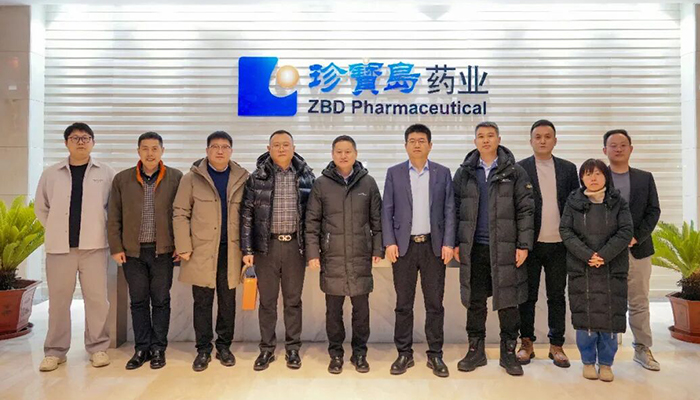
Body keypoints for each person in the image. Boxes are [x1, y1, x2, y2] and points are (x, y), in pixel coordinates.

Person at [453, 121, 534, 376]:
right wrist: (455, 242)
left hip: (506, 248)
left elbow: (526, 210)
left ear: (499, 139)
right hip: (474, 248)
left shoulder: (515, 172)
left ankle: (508, 353)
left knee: (508, 302)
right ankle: (475, 351)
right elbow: (453, 210)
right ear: (475, 141)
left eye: (490, 135)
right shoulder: (465, 172)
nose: (485, 140)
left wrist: (523, 245)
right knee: (475, 302)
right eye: (481, 136)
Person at [35, 122, 116, 372]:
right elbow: (41, 207)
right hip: (60, 249)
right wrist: (56, 229)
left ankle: (98, 347)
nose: (81, 142)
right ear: (66, 143)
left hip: (94, 247)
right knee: (59, 302)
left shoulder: (106, 172)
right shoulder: (51, 173)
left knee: (97, 300)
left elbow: (113, 209)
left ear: (93, 142)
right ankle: (55, 351)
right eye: (75, 138)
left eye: (85, 138)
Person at [305, 135, 383, 375]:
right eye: (339, 151)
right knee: (333, 311)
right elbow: (312, 223)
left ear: (356, 154)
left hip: (360, 256)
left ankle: (360, 354)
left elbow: (377, 221)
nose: (343, 155)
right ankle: (336, 354)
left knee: (361, 311)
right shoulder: (321, 184)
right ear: (332, 155)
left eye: (348, 151)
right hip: (332, 257)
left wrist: (377, 248)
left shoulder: (368, 183)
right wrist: (312, 253)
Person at [382, 124, 455, 378]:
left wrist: (448, 242)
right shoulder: (394, 173)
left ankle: (435, 354)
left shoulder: (443, 173)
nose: (416, 144)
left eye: (421, 140)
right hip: (404, 248)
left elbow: (449, 209)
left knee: (435, 304)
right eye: (412, 140)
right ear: (405, 146)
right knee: (403, 304)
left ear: (430, 145)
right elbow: (387, 210)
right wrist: (389, 242)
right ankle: (404, 353)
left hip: (434, 247)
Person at [173, 131, 249, 372]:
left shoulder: (242, 178)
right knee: (202, 302)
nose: (220, 151)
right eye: (215, 146)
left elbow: (249, 215)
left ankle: (224, 347)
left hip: (231, 251)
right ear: (207, 151)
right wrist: (183, 246)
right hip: (201, 250)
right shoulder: (191, 178)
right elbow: (180, 213)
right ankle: (203, 349)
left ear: (231, 151)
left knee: (228, 301)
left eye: (225, 147)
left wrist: (249, 249)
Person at [240, 130, 315, 371]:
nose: (281, 149)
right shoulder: (256, 178)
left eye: (285, 145)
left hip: (295, 247)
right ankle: (267, 349)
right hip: (266, 248)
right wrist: (247, 248)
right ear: (269, 148)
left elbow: (314, 217)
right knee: (267, 302)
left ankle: (293, 349)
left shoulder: (306, 177)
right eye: (276, 145)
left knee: (293, 301)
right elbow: (246, 215)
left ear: (293, 148)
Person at [108, 131, 183, 370]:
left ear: (162, 151)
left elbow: (183, 215)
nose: (150, 153)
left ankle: (158, 348)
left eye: (154, 148)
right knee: (138, 301)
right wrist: (116, 247)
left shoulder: (175, 177)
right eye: (145, 148)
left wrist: (181, 245)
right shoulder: (122, 179)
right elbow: (114, 216)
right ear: (138, 151)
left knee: (161, 300)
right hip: (133, 252)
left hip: (164, 251)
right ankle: (141, 348)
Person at [559, 159, 633, 382]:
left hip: (612, 268)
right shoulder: (573, 201)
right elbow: (566, 231)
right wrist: (588, 255)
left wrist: (604, 255)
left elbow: (625, 230)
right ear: (581, 177)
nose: (593, 178)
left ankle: (607, 364)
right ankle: (588, 362)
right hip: (582, 268)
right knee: (586, 319)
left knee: (610, 319)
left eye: (598, 174)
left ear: (606, 177)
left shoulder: (618, 201)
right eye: (588, 174)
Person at [516, 120, 579, 368]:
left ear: (555, 140)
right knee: (527, 296)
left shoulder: (568, 169)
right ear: (531, 140)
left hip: (559, 245)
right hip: (530, 245)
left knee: (557, 296)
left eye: (547, 136)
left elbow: (575, 206)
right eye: (538, 136)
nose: (542, 140)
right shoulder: (520, 169)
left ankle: (556, 345)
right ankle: (526, 343)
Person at [603, 129, 661, 371]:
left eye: (623, 144)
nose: (618, 149)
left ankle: (642, 348)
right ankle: (605, 353)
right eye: (613, 145)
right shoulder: (597, 177)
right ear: (604, 150)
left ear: (631, 148)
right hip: (607, 252)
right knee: (606, 301)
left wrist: (636, 237)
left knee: (639, 301)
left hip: (638, 249)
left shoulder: (644, 178)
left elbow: (653, 211)